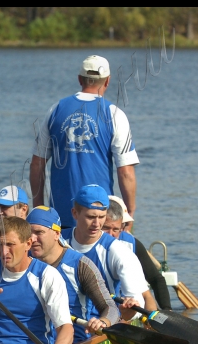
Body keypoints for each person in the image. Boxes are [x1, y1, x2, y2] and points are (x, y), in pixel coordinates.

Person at [30, 55, 140, 228]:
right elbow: (125, 172)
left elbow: (37, 164)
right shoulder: (115, 114)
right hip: (99, 220)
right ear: (107, 81)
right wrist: (129, 213)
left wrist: (39, 207)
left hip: (59, 219)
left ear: (80, 79)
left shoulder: (56, 109)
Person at [27, 206, 120, 344]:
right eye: (28, 233)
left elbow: (110, 308)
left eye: (39, 232)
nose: (32, 239)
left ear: (57, 234)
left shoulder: (81, 265)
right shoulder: (22, 259)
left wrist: (102, 322)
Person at [61, 185, 156, 320]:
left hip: (100, 324)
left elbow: (138, 305)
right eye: (91, 217)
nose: (96, 224)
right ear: (75, 213)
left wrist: (128, 312)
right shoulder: (57, 241)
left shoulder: (119, 252)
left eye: (101, 217)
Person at [103, 196, 172, 310]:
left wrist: (167, 310)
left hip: (126, 306)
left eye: (116, 229)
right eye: (106, 228)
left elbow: (155, 280)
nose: (111, 235)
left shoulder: (130, 243)